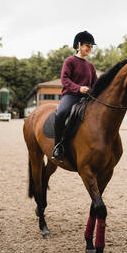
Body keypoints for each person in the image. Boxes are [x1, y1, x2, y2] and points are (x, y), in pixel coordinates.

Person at [52, 31, 97, 161]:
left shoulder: (90, 66)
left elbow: (95, 83)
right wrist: (79, 88)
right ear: (78, 45)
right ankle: (58, 146)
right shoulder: (70, 61)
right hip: (71, 95)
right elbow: (64, 79)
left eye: (91, 46)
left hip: (86, 98)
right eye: (87, 45)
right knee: (61, 113)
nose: (90, 48)